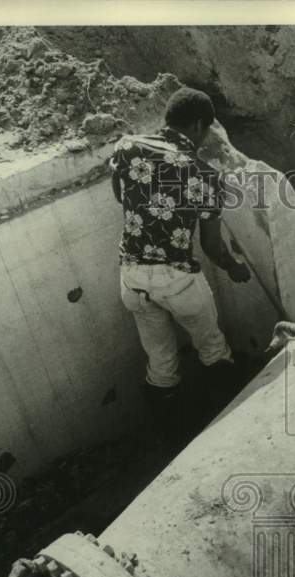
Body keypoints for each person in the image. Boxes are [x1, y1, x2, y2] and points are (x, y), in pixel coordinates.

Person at [109, 87, 251, 422]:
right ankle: (227, 426)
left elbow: (120, 195)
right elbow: (213, 248)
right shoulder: (204, 176)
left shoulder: (127, 146)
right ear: (200, 125)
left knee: (160, 364)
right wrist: (234, 268)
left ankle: (169, 433)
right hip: (177, 280)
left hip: (132, 278)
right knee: (214, 351)